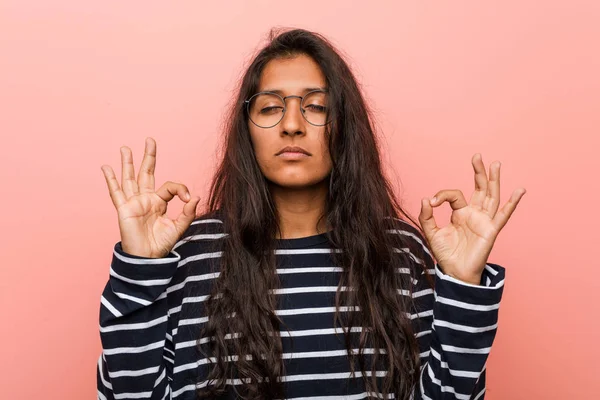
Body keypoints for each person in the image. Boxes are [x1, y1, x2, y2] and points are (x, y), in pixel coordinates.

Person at [97, 28, 526, 400]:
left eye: (316, 106)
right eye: (269, 107)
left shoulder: (400, 251)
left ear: (346, 125)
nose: (292, 124)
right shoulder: (191, 254)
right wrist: (139, 269)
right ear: (246, 129)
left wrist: (464, 287)